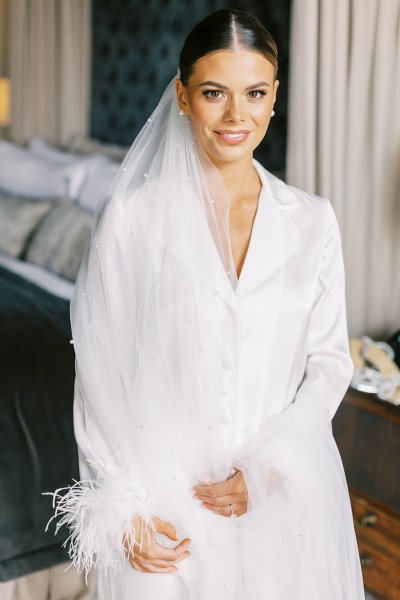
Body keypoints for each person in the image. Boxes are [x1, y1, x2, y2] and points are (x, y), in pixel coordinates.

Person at [50, 9, 365, 600]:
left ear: (275, 98)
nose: (236, 115)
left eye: (255, 93)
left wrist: (271, 468)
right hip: (163, 513)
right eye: (214, 92)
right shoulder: (132, 218)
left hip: (275, 501)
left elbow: (329, 366)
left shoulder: (313, 223)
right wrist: (122, 507)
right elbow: (97, 368)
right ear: (183, 97)